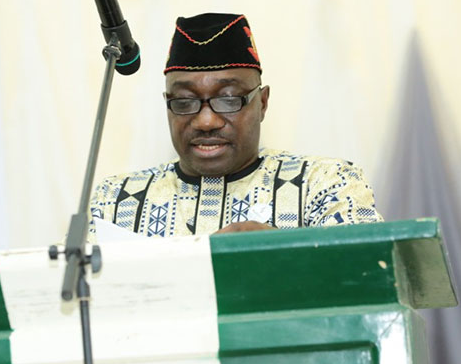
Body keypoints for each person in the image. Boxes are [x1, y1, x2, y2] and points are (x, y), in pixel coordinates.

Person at [89, 13, 382, 236]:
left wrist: (287, 254)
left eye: (229, 100)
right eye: (184, 101)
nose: (206, 121)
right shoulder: (114, 201)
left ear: (262, 103)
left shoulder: (325, 183)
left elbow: (371, 276)